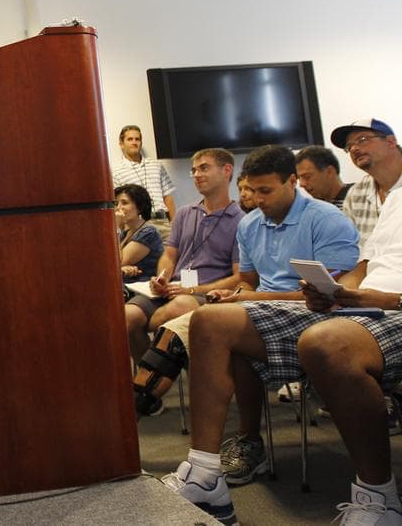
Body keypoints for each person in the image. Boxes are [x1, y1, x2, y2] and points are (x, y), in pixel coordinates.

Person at [159, 145, 360, 525]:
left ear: (292, 181)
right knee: (216, 329)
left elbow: (333, 294)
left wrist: (249, 297)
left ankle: (211, 465)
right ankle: (220, 458)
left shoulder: (326, 219)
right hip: (263, 310)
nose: (257, 200)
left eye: (267, 191)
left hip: (319, 314)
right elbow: (249, 280)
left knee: (210, 323)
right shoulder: (251, 225)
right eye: (252, 190)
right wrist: (241, 294)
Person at [297, 188, 402, 524]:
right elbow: (366, 263)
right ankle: (205, 471)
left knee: (327, 343)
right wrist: (341, 291)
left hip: (394, 306)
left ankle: (377, 497)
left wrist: (392, 300)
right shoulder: (396, 199)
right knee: (213, 320)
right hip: (369, 303)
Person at [127, 148, 243, 414]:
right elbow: (169, 255)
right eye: (194, 170)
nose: (196, 175)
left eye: (204, 168)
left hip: (204, 293)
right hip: (169, 289)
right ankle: (151, 388)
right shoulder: (184, 213)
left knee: (180, 307)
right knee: (127, 316)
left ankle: (152, 385)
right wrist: (162, 276)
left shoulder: (240, 221)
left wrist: (192, 288)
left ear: (226, 171)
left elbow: (238, 277)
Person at [335, 119, 402, 248]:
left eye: (362, 139)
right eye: (349, 147)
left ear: (391, 141)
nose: (354, 149)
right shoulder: (356, 193)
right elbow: (350, 246)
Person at [112, 126, 176, 237]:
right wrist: (121, 231)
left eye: (137, 139)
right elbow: (118, 206)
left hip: (163, 223)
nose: (134, 142)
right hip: (137, 226)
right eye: (130, 139)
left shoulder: (156, 165)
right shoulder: (115, 172)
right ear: (121, 144)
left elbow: (167, 197)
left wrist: (174, 224)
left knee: (169, 254)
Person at [115, 184, 163, 284]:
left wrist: (116, 227)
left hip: (142, 288)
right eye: (116, 203)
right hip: (125, 286)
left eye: (124, 203)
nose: (118, 208)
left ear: (139, 207)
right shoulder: (125, 233)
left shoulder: (149, 232)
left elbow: (118, 263)